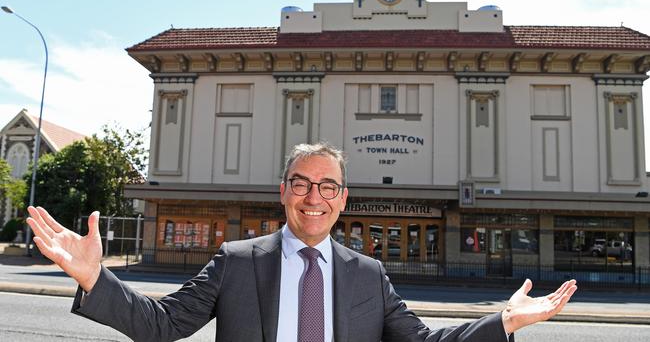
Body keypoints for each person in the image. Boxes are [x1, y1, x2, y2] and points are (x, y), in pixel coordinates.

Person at [26, 142, 577, 342]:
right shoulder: (237, 262)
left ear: (343, 199)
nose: (314, 196)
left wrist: (503, 321)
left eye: (327, 186)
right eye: (301, 183)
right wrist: (94, 277)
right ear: (283, 192)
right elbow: (161, 325)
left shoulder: (367, 274)